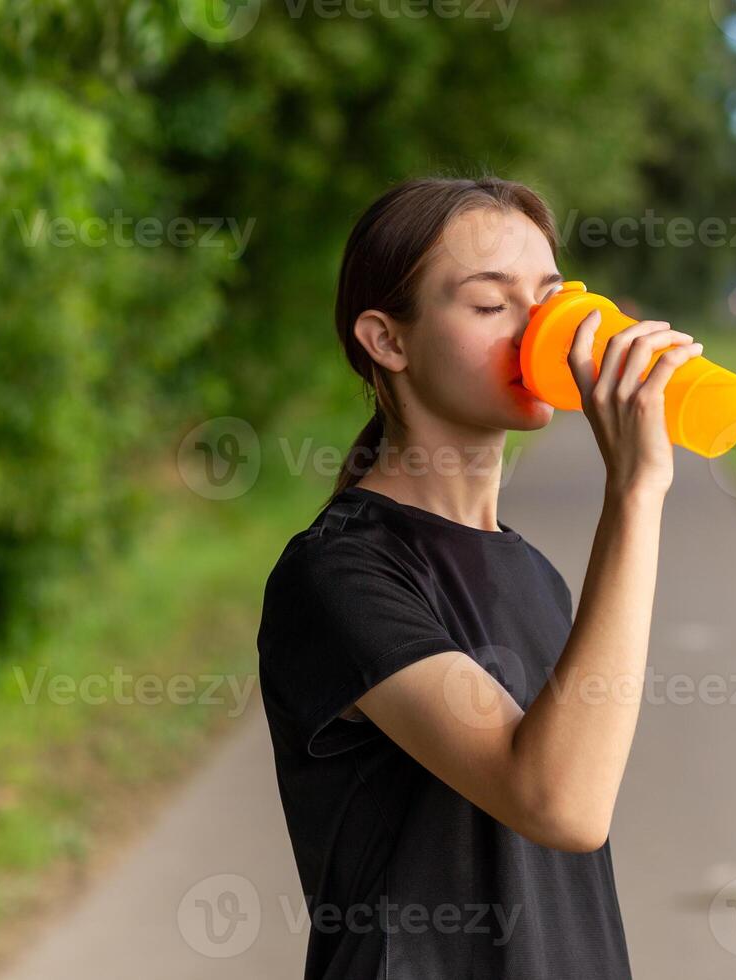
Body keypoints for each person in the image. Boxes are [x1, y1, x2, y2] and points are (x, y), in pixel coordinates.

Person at [256, 174, 704, 979]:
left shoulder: (534, 573)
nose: (543, 334)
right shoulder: (338, 575)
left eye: (553, 300)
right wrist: (635, 495)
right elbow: (559, 803)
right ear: (387, 341)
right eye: (493, 306)